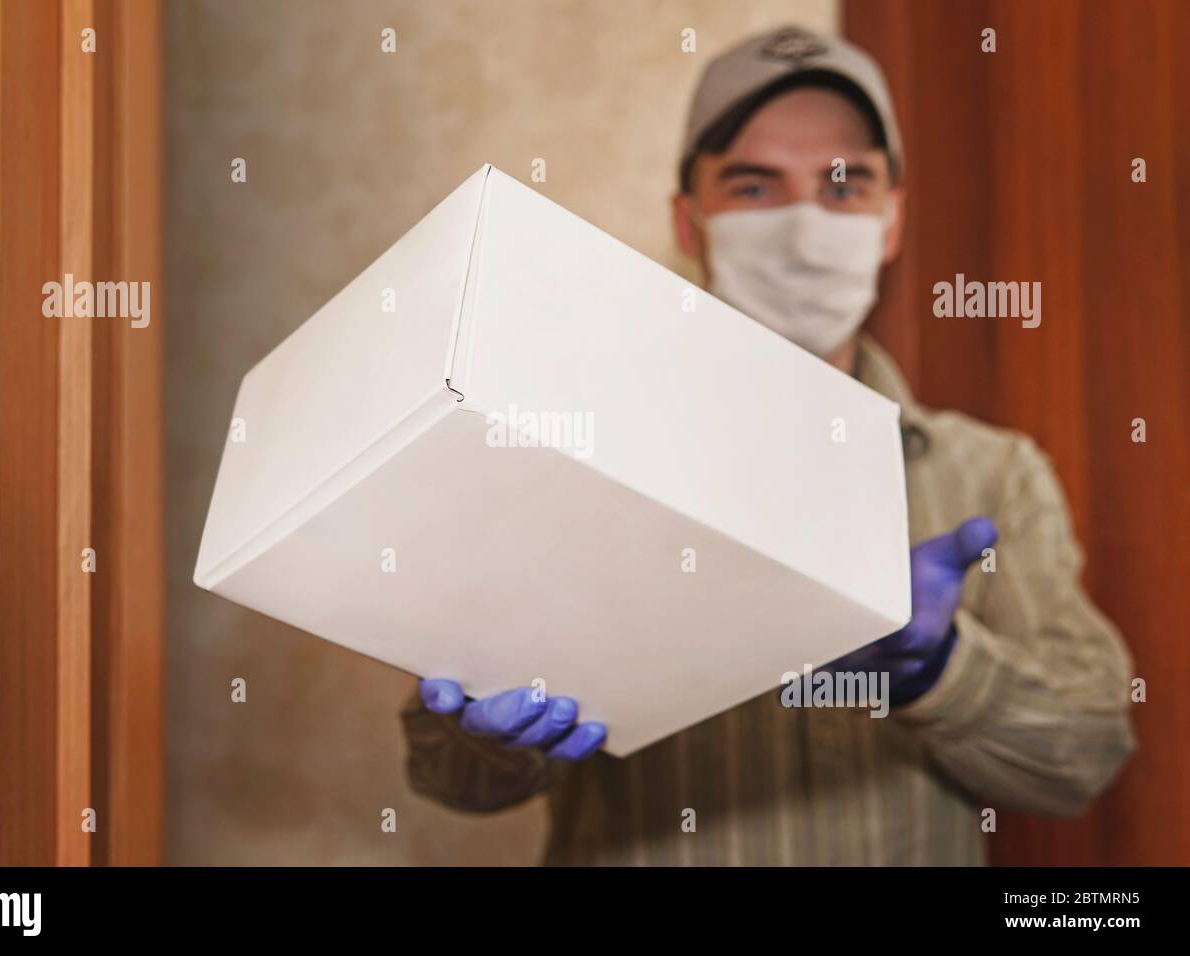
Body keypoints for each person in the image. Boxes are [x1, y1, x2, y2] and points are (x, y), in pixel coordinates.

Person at [399, 25, 1136, 865]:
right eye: (754, 187)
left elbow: (1087, 756)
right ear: (690, 222)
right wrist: (488, 739)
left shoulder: (992, 475)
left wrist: (941, 669)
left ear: (892, 221)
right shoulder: (573, 450)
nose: (803, 227)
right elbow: (454, 780)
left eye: (845, 184)